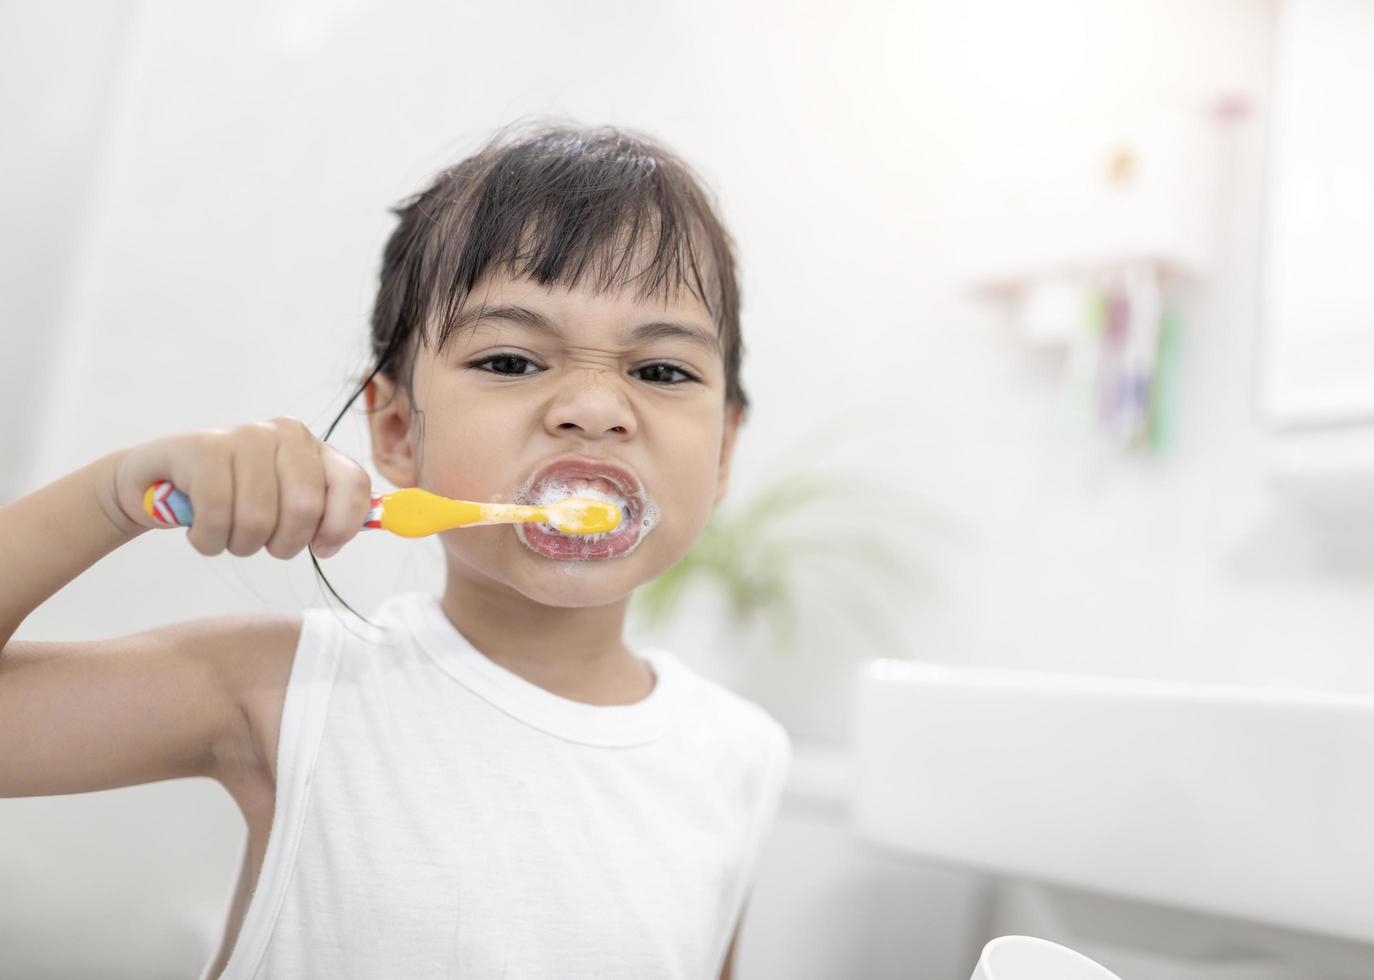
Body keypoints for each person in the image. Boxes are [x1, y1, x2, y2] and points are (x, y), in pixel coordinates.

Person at [0, 119, 791, 980]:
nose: (595, 407)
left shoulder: (740, 754)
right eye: (513, 360)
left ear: (721, 451)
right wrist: (116, 496)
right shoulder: (283, 690)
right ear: (395, 429)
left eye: (663, 372)